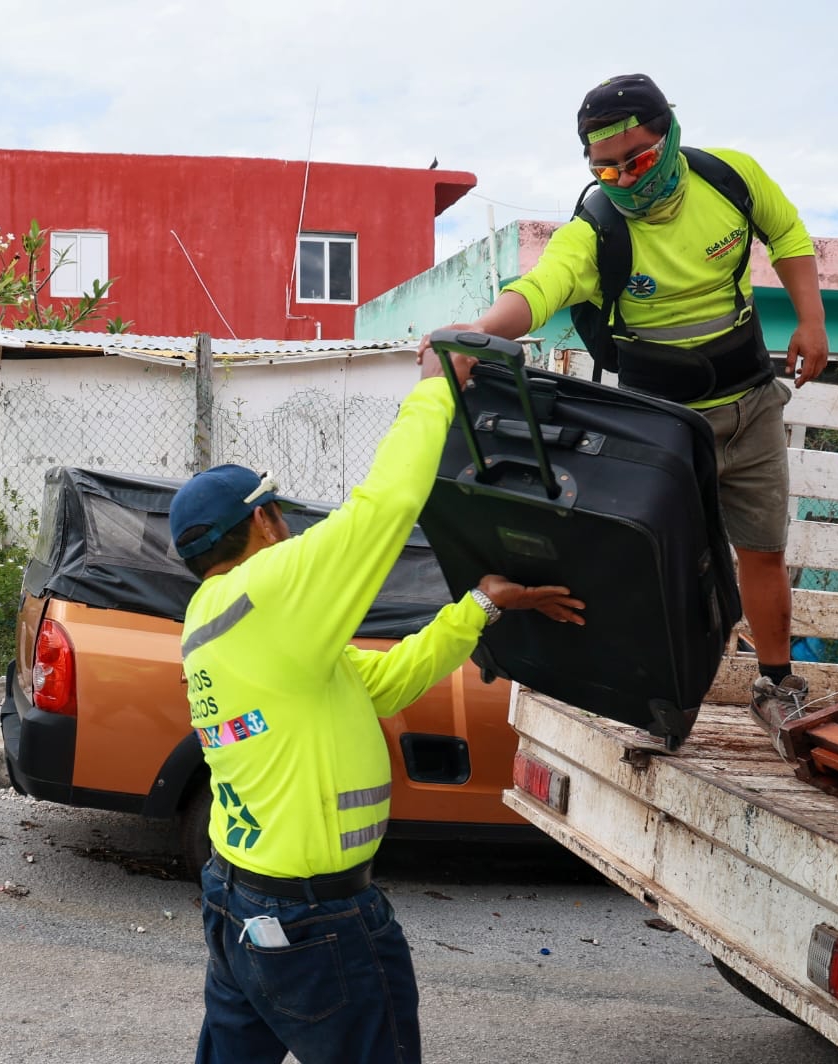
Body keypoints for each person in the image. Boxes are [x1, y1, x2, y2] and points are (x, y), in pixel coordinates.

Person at [170, 351, 586, 1063]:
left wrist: (480, 607)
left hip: (242, 900)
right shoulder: (266, 589)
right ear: (265, 521)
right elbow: (385, 508)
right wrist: (434, 390)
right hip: (314, 920)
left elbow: (385, 685)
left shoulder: (223, 625)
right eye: (282, 517)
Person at [423, 73, 830, 758]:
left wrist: (812, 321)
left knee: (762, 551)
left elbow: (787, 234)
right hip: (661, 426)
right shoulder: (598, 231)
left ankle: (777, 682)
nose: (623, 180)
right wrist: (477, 331)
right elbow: (540, 287)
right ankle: (655, 694)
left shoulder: (730, 178)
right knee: (663, 567)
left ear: (669, 135)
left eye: (636, 161)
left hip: (749, 402)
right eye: (603, 168)